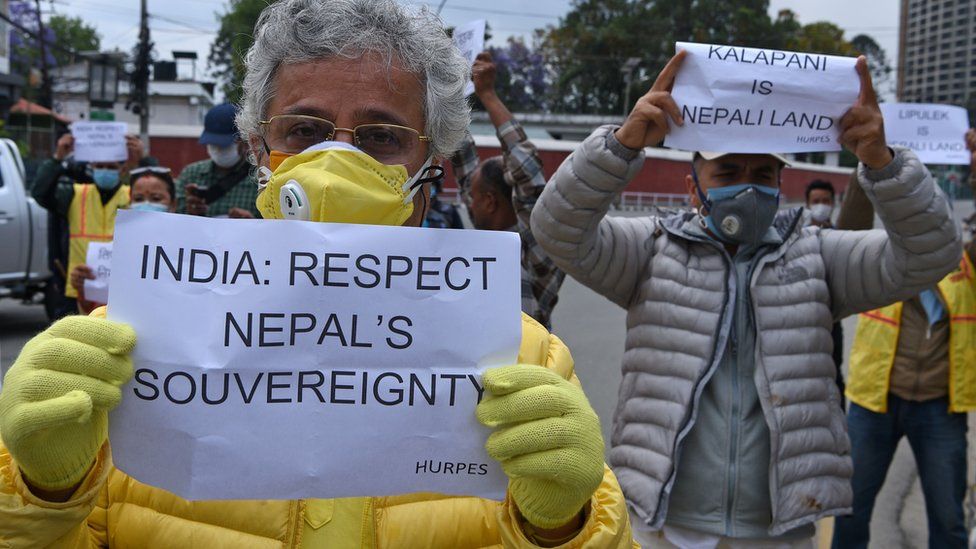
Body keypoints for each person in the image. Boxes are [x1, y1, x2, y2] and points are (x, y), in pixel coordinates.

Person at [0, 1, 634, 547]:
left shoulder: (527, 356)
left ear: (428, 165)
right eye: (304, 131)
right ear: (258, 151)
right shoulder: (130, 343)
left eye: (382, 136)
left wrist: (562, 527)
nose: (336, 160)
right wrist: (45, 489)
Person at [530, 50, 962, 548]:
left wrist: (883, 166)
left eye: (762, 174)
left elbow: (932, 254)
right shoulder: (649, 251)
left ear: (781, 184)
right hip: (665, 522)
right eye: (728, 171)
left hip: (778, 529)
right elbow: (557, 228)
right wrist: (621, 146)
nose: (747, 187)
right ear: (694, 188)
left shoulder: (819, 257)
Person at [830, 129, 976, 549]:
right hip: (874, 404)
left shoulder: (967, 263)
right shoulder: (880, 256)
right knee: (851, 508)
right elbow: (846, 239)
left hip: (939, 407)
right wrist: (866, 162)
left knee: (948, 519)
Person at [452, 52, 564, 330]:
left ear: (490, 202)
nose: (468, 201)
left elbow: (527, 168)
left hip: (527, 371)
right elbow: (462, 154)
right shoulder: (491, 237)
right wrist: (452, 91)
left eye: (473, 197)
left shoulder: (537, 247)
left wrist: (487, 93)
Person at [31, 133, 145, 304]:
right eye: (100, 166)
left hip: (121, 289)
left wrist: (143, 161)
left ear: (122, 169)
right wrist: (58, 158)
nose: (105, 170)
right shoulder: (74, 194)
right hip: (77, 289)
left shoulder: (135, 196)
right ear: (92, 166)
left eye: (111, 166)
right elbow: (40, 194)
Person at [69, 167, 178, 315]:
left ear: (173, 204)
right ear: (130, 203)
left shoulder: (188, 251)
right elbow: (97, 310)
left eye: (156, 198)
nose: (146, 204)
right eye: (138, 199)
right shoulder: (113, 252)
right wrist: (83, 289)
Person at [175, 103, 261, 219]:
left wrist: (251, 222)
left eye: (224, 145)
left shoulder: (259, 178)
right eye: (213, 144)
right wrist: (191, 214)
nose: (218, 150)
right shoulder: (190, 175)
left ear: (244, 141)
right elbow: (175, 221)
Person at [804, 179, 845, 405]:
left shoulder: (842, 237)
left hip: (833, 318)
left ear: (833, 204)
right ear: (808, 204)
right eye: (816, 201)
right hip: (804, 315)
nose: (821, 205)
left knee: (833, 371)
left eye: (826, 201)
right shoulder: (795, 238)